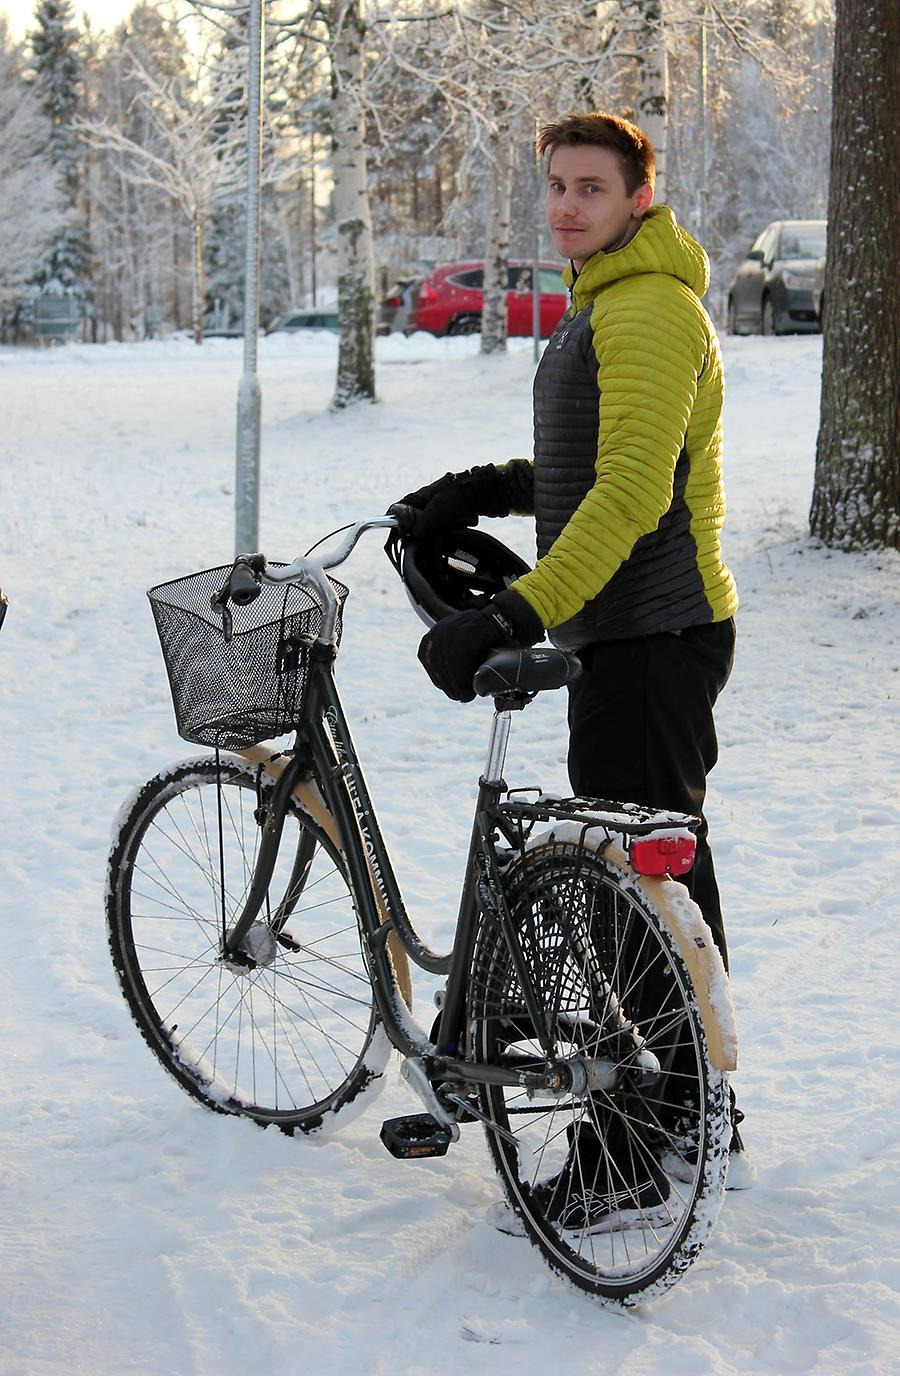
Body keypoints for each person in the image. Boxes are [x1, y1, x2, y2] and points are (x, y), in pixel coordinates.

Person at [394, 112, 747, 1223]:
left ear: (641, 195)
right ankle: (694, 1116)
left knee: (631, 899)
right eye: (554, 183)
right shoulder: (611, 297)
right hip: (637, 641)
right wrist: (486, 486)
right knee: (655, 884)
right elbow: (590, 460)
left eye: (590, 186)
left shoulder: (646, 306)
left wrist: (513, 607)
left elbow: (635, 490)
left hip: (653, 639)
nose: (565, 204)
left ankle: (651, 1142)